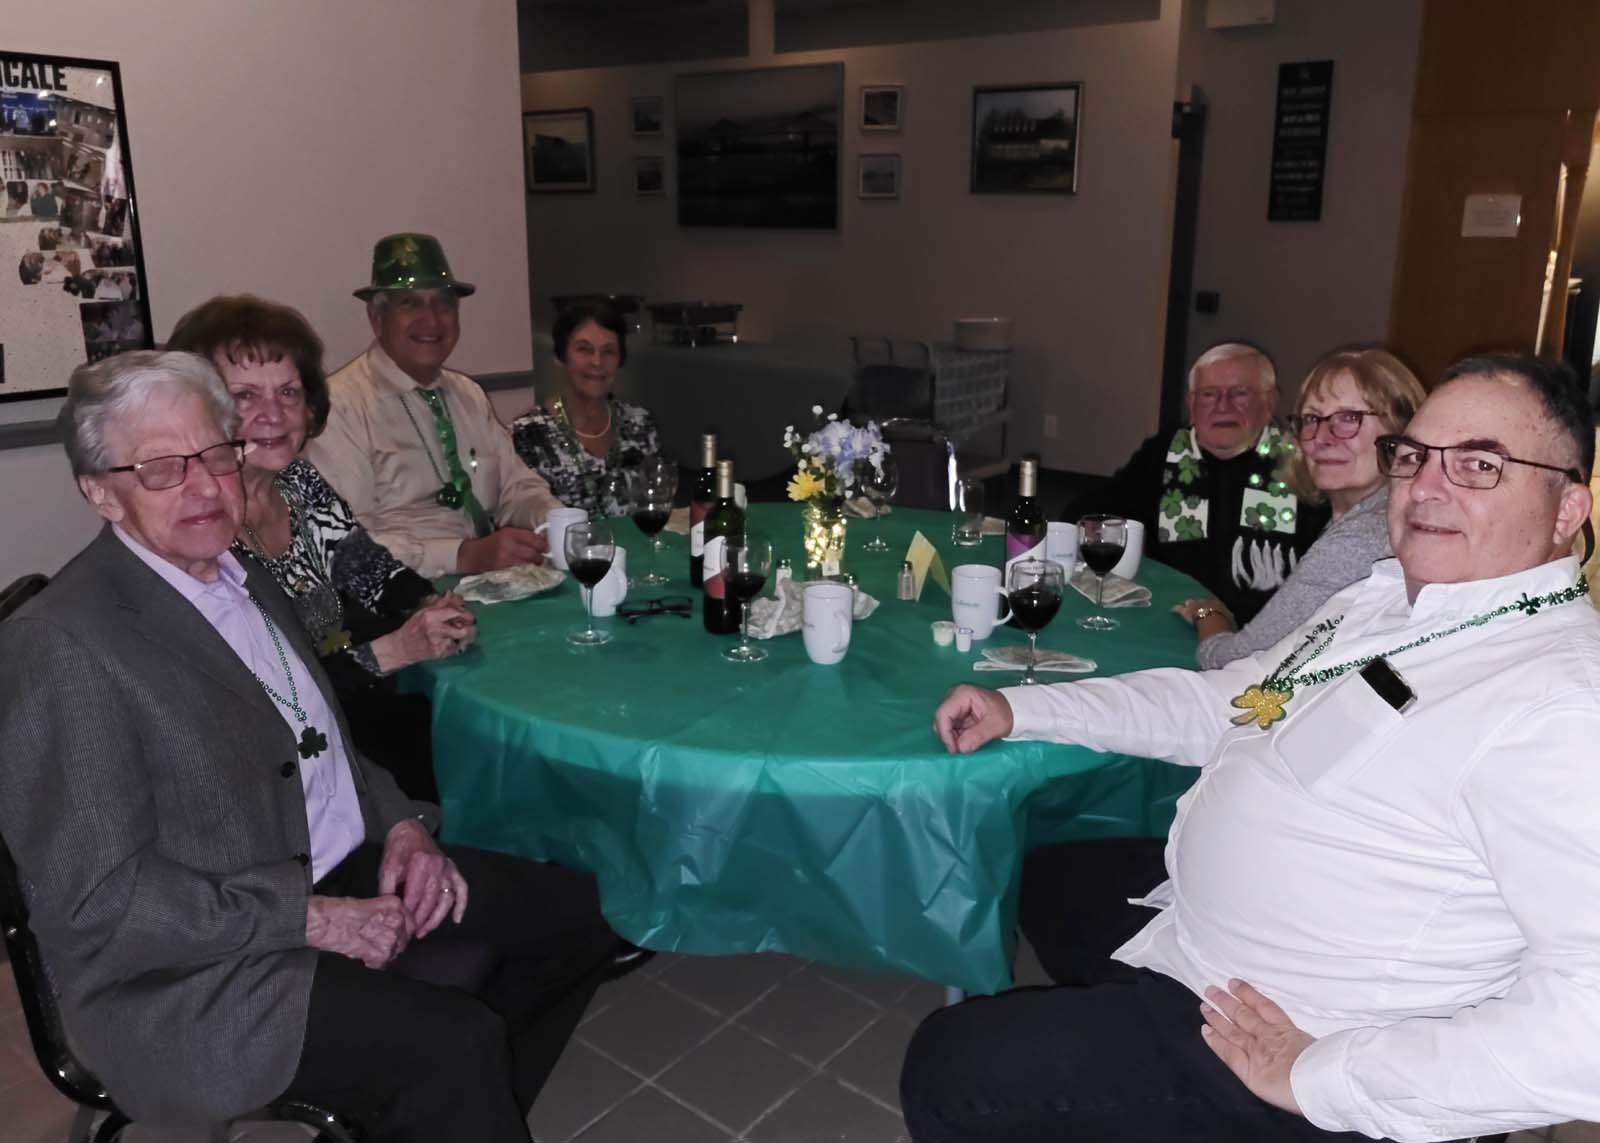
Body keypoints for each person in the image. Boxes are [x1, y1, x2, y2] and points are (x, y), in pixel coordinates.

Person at [908, 353, 1600, 1142]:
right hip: (1208, 941)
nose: (1428, 487)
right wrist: (1020, 708)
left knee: (948, 1068)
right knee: (1049, 874)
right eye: (1413, 457)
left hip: (1301, 1046)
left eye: (1480, 464)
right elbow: (1228, 701)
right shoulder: (1389, 602)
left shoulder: (1561, 702)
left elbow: (1591, 1029)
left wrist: (1318, 1076)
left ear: (1567, 506)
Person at [0, 350, 621, 1142]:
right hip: (198, 972)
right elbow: (103, 904)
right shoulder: (63, 645)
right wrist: (312, 917)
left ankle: (442, 1114)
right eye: (160, 467)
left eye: (215, 455)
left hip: (325, 860)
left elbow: (314, 732)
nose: (203, 486)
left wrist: (400, 826)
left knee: (586, 912)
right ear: (99, 492)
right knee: (454, 1042)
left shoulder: (238, 572)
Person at [168, 294, 474, 803]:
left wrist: (427, 605)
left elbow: (368, 568)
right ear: (199, 408)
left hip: (352, 713)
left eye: (288, 391)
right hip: (285, 773)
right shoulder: (199, 531)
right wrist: (398, 648)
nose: (274, 413)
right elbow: (268, 695)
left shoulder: (297, 482)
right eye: (245, 395)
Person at [303, 233, 563, 578]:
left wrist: (556, 522)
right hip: (402, 598)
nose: (432, 320)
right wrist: (461, 556)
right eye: (410, 304)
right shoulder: (340, 407)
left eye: (443, 304)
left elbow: (517, 487)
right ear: (376, 318)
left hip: (493, 582)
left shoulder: (467, 394)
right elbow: (347, 542)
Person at [1174, 346, 1427, 668]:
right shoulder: (1377, 513)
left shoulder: (1362, 538)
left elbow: (1235, 661)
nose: (1321, 437)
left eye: (1349, 418)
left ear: (1403, 432)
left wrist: (1208, 614)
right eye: (1312, 419)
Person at [1062, 342, 1327, 623]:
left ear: (1270, 402)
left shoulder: (1299, 464)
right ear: (1191, 404)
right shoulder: (1163, 453)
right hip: (1169, 615)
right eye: (1209, 394)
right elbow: (1100, 509)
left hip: (1263, 626)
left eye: (1239, 393)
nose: (1223, 405)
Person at [511, 302, 661, 516]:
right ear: (560, 357)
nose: (597, 362)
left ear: (621, 359)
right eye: (584, 349)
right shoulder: (527, 434)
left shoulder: (639, 424)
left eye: (608, 351)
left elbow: (655, 504)